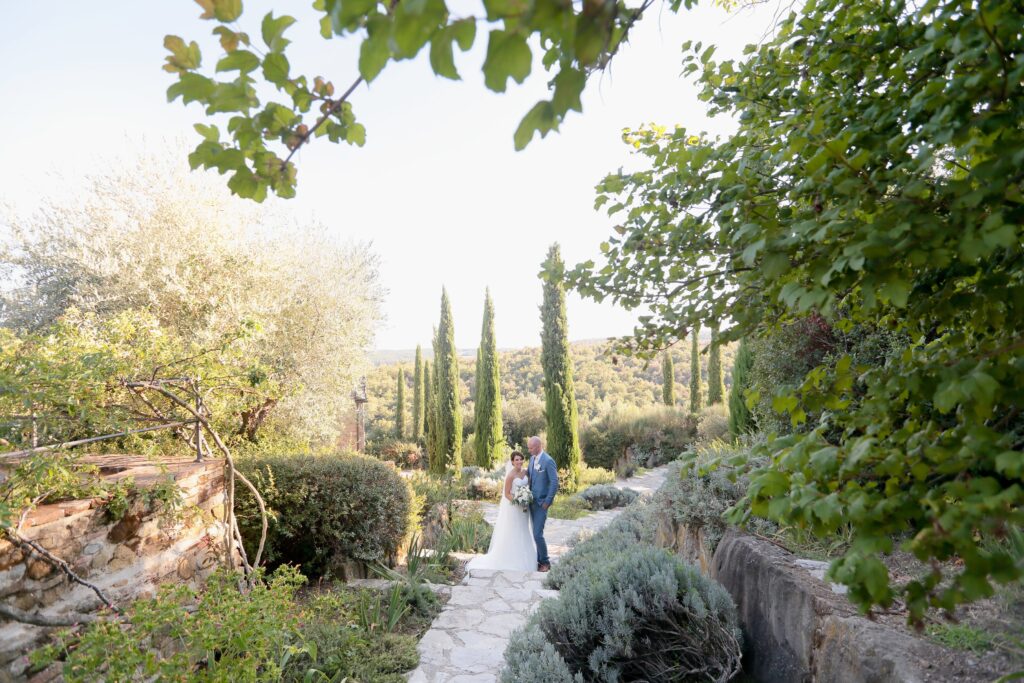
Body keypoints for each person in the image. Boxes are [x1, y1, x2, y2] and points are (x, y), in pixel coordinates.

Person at [465, 452, 537, 572]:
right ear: (512, 462)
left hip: (525, 508)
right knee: (514, 531)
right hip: (515, 508)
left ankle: (525, 558)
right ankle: (512, 559)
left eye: (521, 459)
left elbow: (528, 486)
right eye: (517, 460)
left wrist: (526, 497)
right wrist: (518, 500)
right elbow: (507, 493)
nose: (519, 462)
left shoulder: (525, 472)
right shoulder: (510, 476)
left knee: (524, 530)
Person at [526, 435, 559, 572]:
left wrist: (548, 501)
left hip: (541, 504)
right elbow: (529, 476)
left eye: (531, 447)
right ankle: (539, 560)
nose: (529, 450)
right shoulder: (532, 459)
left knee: (538, 534)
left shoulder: (548, 461)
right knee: (534, 533)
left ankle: (545, 562)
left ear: (538, 446)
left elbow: (554, 482)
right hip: (531, 503)